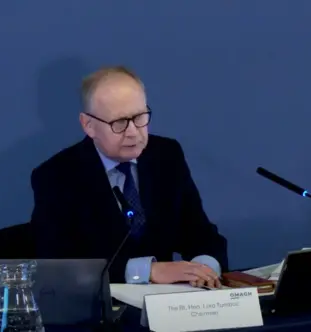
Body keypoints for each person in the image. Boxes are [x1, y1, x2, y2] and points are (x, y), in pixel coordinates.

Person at [30, 66, 227, 287]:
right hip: (101, 311)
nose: (133, 131)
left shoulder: (166, 156)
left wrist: (203, 268)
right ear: (89, 125)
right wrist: (146, 271)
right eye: (120, 123)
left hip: (167, 307)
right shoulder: (57, 175)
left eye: (140, 117)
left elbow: (201, 234)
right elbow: (58, 265)